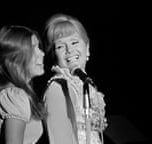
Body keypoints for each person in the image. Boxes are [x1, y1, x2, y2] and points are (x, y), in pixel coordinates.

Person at [43, 14, 108, 144]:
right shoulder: (59, 87)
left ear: (87, 47)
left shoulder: (88, 86)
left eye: (74, 42)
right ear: (53, 55)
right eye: (60, 46)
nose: (69, 50)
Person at [0, 25, 46, 144]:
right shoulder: (15, 96)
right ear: (15, 58)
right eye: (34, 49)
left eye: (39, 47)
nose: (42, 54)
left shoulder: (10, 93)